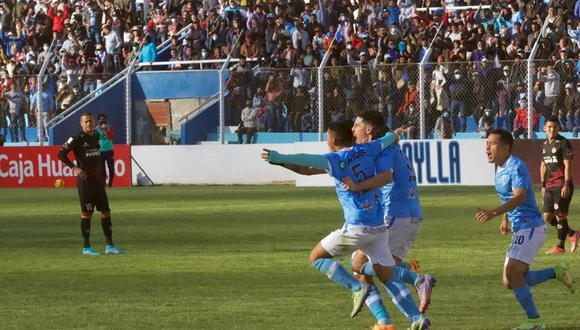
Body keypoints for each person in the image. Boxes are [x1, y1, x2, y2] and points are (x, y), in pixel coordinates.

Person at [261, 122, 431, 330]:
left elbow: (306, 160)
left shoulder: (336, 159)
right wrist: (393, 136)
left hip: (356, 227)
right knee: (387, 276)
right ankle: (416, 318)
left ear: (332, 140)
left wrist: (279, 158)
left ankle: (357, 287)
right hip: (378, 228)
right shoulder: (368, 149)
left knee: (316, 257)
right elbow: (387, 139)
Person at [342, 111, 436, 330]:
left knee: (358, 264)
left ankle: (414, 278)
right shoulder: (391, 147)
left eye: (356, 125)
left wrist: (355, 185)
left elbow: (385, 177)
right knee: (379, 273)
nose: (353, 130)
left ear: (369, 130)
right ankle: (410, 320)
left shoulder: (381, 150)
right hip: (410, 215)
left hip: (395, 214)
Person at [475, 129, 574, 330]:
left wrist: (494, 213)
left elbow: (519, 197)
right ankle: (556, 272)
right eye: (487, 143)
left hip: (530, 227)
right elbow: (508, 197)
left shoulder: (516, 166)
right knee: (511, 280)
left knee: (512, 273)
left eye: (492, 143)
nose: (487, 147)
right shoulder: (500, 168)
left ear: (505, 147)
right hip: (520, 227)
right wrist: (505, 219)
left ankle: (535, 321)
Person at [57, 113, 124, 256]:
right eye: (86, 122)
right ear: (81, 124)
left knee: (106, 212)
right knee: (87, 214)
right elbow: (61, 154)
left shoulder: (96, 136)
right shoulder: (76, 138)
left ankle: (110, 246)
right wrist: (73, 167)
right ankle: (86, 247)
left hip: (98, 182)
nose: (89, 124)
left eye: (90, 121)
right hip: (85, 182)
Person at [540, 117, 580, 254]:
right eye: (549, 127)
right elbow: (543, 165)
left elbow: (568, 165)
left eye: (555, 127)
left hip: (561, 185)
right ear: (544, 128)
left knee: (560, 215)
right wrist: (543, 185)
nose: (552, 129)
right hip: (549, 186)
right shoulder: (544, 145)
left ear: (559, 128)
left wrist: (567, 184)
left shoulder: (564, 143)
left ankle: (560, 246)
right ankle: (572, 234)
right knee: (547, 216)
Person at [96, 113, 115, 187]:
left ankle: (110, 183)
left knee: (111, 168)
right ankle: (103, 183)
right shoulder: (96, 129)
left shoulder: (110, 127)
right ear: (98, 120)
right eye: (101, 119)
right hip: (100, 151)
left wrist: (106, 129)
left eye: (104, 119)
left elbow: (110, 137)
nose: (102, 120)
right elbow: (95, 139)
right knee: (102, 169)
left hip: (109, 150)